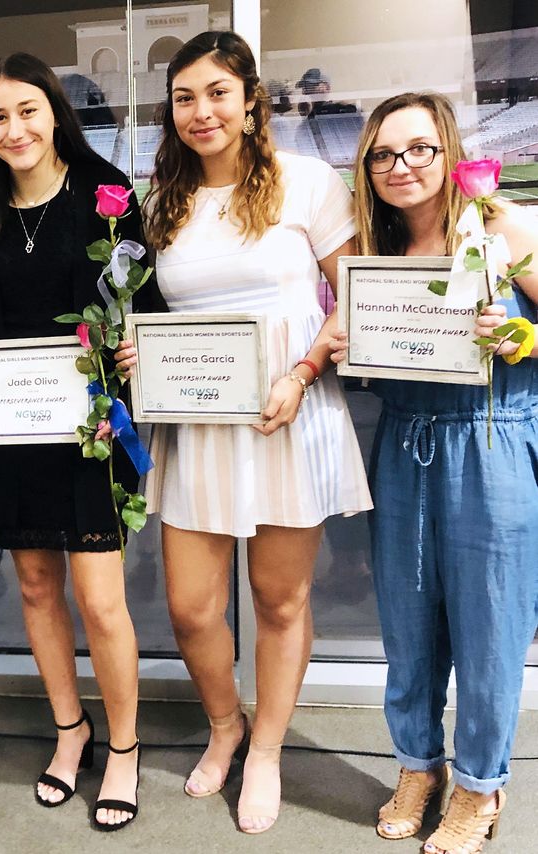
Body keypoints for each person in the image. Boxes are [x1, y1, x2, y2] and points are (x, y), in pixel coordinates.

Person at [129, 31, 371, 834]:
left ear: (249, 99)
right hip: (198, 422)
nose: (202, 112)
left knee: (278, 596)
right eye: (185, 98)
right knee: (192, 607)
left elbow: (358, 303)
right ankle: (226, 725)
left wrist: (301, 373)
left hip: (285, 410)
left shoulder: (307, 183)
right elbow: (157, 316)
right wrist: (140, 350)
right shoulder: (162, 200)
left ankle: (266, 747)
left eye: (217, 93)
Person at [0, 52, 162, 832]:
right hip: (13, 428)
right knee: (36, 589)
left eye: (27, 110)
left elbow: (146, 304)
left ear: (55, 113)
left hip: (91, 430)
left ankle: (126, 748)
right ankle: (70, 732)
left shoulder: (109, 200)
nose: (14, 129)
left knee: (101, 601)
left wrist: (139, 347)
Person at [330, 92, 538, 853]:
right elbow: (353, 355)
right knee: (409, 625)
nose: (401, 166)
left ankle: (481, 783)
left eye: (419, 148)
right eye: (384, 154)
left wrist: (524, 335)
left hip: (492, 443)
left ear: (449, 152)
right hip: (406, 444)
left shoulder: (502, 229)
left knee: (489, 627)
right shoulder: (372, 255)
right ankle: (419, 766)